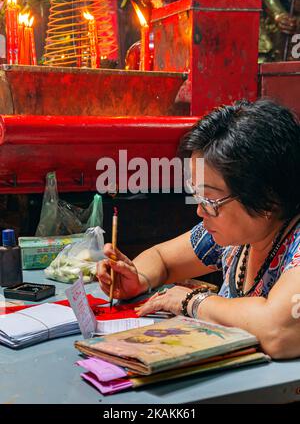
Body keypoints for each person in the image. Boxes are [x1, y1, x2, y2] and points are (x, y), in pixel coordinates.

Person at [97, 99, 300, 359]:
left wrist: (191, 301)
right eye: (197, 196)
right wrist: (138, 279)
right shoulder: (234, 237)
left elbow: (277, 331)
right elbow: (163, 259)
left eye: (210, 201)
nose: (200, 211)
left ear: (267, 198)